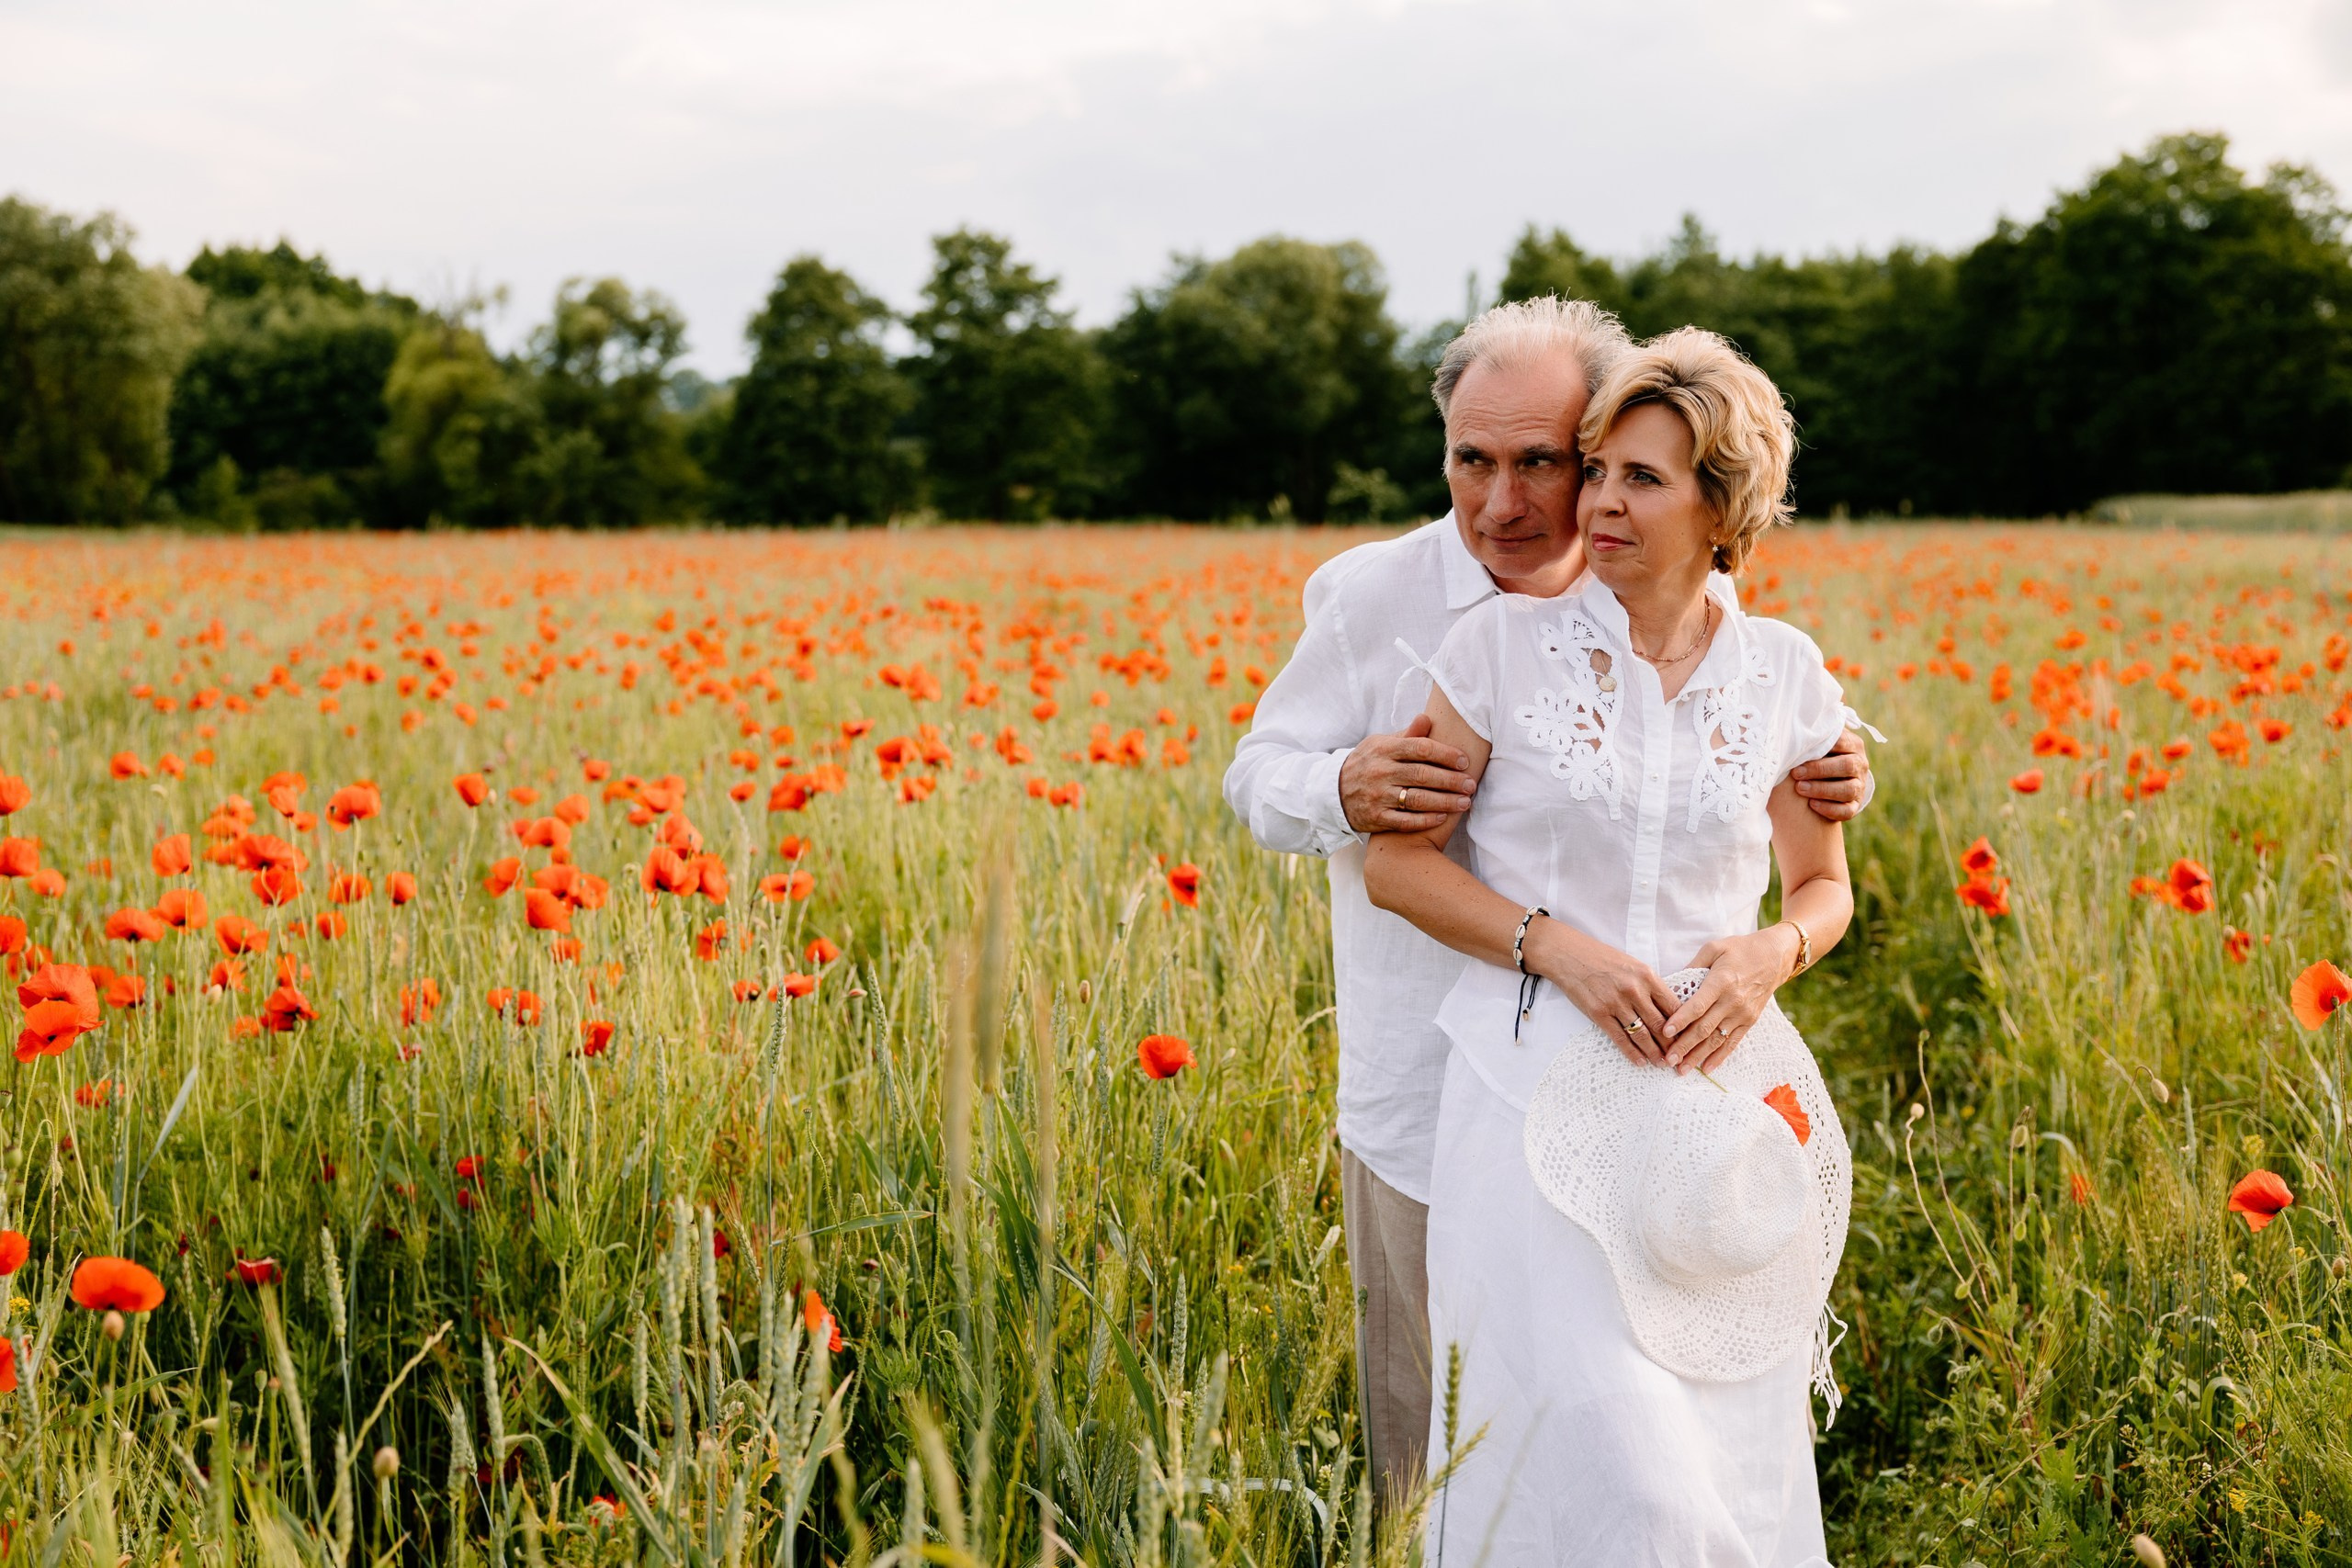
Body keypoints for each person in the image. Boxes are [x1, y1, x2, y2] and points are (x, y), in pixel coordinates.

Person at [1222, 296, 1875, 1507]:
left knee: (1678, 1452)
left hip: (1680, 1107)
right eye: (1472, 461)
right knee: (1445, 1461)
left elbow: (1780, 808)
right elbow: (1257, 779)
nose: (1502, 503)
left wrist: (1820, 813)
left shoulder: (1740, 643)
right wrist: (1341, 786)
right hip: (1432, 1093)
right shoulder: (1380, 602)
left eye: (1543, 465)